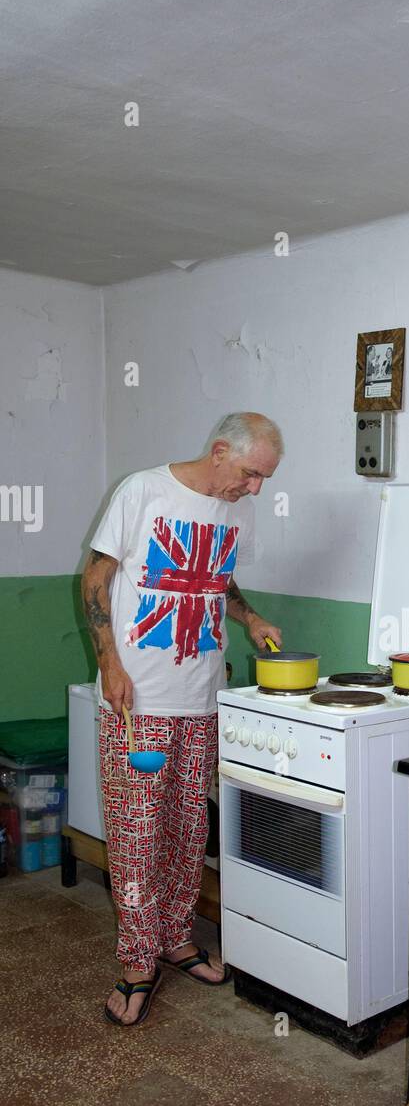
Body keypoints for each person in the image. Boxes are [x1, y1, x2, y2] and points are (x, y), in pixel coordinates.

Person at [82, 412, 284, 1026]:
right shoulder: (142, 491)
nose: (254, 490)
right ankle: (137, 963)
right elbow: (95, 580)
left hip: (201, 699)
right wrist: (110, 663)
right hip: (136, 703)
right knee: (138, 836)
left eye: (264, 480)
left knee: (188, 828)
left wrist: (249, 620)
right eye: (251, 474)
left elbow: (220, 579)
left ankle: (175, 939)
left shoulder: (236, 510)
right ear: (220, 451)